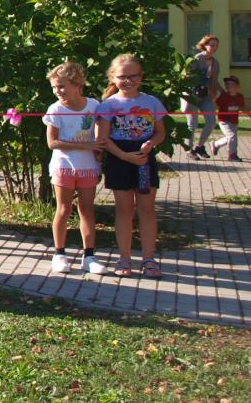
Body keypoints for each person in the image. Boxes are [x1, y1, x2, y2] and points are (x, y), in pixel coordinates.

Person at [95, 54, 166, 279]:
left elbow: (161, 133)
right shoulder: (108, 105)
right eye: (122, 77)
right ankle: (124, 258)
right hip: (119, 159)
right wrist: (125, 156)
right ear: (113, 78)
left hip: (144, 159)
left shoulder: (152, 102)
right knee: (124, 210)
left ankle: (149, 259)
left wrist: (151, 143)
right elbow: (103, 139)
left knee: (147, 209)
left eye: (133, 76)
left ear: (141, 76)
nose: (128, 81)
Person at [43, 61, 106, 275]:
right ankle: (59, 254)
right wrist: (85, 146)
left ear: (77, 84)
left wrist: (98, 149)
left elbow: (100, 131)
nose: (57, 91)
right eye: (54, 87)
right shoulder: (55, 109)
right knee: (63, 209)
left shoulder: (94, 106)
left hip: (88, 167)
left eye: (61, 86)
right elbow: (52, 142)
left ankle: (89, 256)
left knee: (87, 210)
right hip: (64, 166)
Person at [184, 34, 220, 158]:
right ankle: (189, 151)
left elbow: (214, 81)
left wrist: (215, 94)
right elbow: (188, 76)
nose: (214, 48)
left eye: (216, 46)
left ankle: (199, 147)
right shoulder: (197, 59)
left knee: (211, 122)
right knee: (192, 125)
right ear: (204, 45)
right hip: (192, 95)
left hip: (206, 96)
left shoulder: (215, 63)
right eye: (212, 45)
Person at [213, 75, 246, 161]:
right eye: (226, 84)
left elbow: (243, 108)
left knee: (230, 137)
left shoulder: (240, 97)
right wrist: (213, 100)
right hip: (224, 121)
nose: (227, 86)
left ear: (237, 86)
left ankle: (216, 144)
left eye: (230, 84)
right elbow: (216, 105)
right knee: (232, 136)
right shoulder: (224, 96)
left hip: (234, 121)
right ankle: (232, 155)